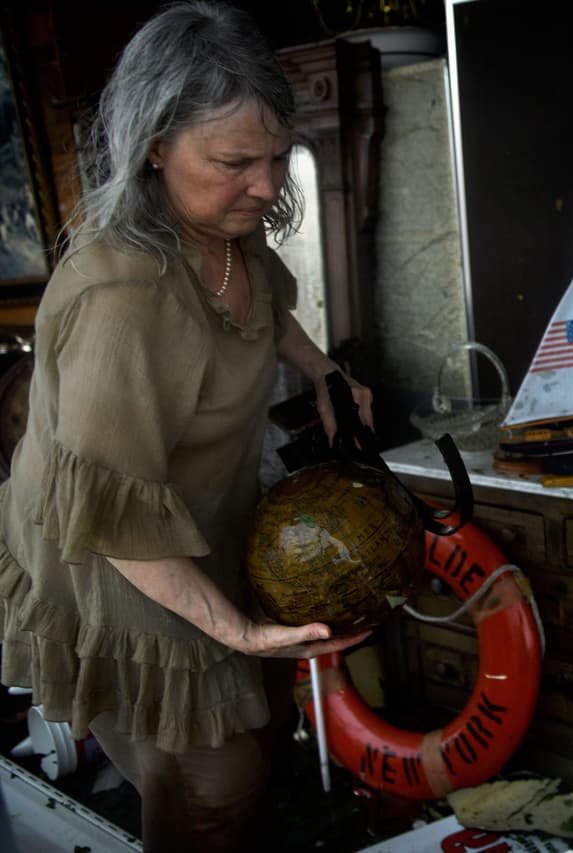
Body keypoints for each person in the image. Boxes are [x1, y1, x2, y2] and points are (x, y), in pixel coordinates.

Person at [0, 2, 372, 848]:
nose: (270, 186)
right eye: (236, 161)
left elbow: (268, 307)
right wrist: (238, 631)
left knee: (259, 737)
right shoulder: (121, 304)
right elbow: (116, 521)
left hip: (197, 520)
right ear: (154, 146)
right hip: (112, 553)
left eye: (279, 157)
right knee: (211, 778)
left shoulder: (225, 232)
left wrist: (323, 368)